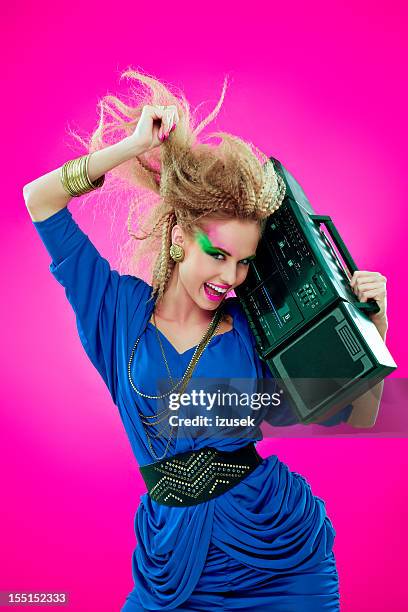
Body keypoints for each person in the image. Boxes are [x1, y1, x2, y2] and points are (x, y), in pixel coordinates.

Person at [23, 70, 388, 611]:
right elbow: (39, 200)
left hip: (277, 549)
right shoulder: (114, 309)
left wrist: (372, 332)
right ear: (178, 237)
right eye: (217, 254)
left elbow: (362, 417)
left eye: (243, 262)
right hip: (171, 561)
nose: (231, 276)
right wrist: (133, 146)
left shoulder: (256, 326)